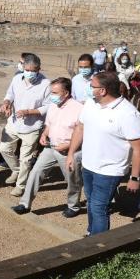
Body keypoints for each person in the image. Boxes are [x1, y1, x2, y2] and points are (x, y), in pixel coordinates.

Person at [67, 72, 140, 236]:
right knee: (91, 201)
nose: (88, 89)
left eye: (92, 86)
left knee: (98, 206)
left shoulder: (128, 113)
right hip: (88, 165)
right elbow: (80, 128)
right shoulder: (90, 103)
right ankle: (91, 232)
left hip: (109, 170)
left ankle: (98, 246)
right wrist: (71, 153)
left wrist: (135, 178)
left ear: (102, 91)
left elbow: (139, 148)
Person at [12, 77, 84, 217]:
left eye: (55, 93)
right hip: (51, 147)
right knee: (35, 173)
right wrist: (44, 134)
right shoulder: (52, 105)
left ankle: (73, 206)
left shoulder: (79, 109)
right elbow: (49, 124)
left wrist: (68, 145)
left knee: (72, 180)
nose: (52, 96)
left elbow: (83, 133)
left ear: (66, 93)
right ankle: (25, 204)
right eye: (51, 92)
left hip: (69, 151)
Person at [0, 53, 50, 197]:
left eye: (34, 70)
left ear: (39, 69)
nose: (31, 73)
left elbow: (48, 106)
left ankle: (20, 186)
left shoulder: (46, 84)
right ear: (23, 67)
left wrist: (30, 112)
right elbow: (10, 94)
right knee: (4, 148)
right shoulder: (16, 79)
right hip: (14, 123)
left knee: (26, 159)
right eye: (28, 70)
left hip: (32, 127)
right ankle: (16, 169)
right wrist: (6, 103)